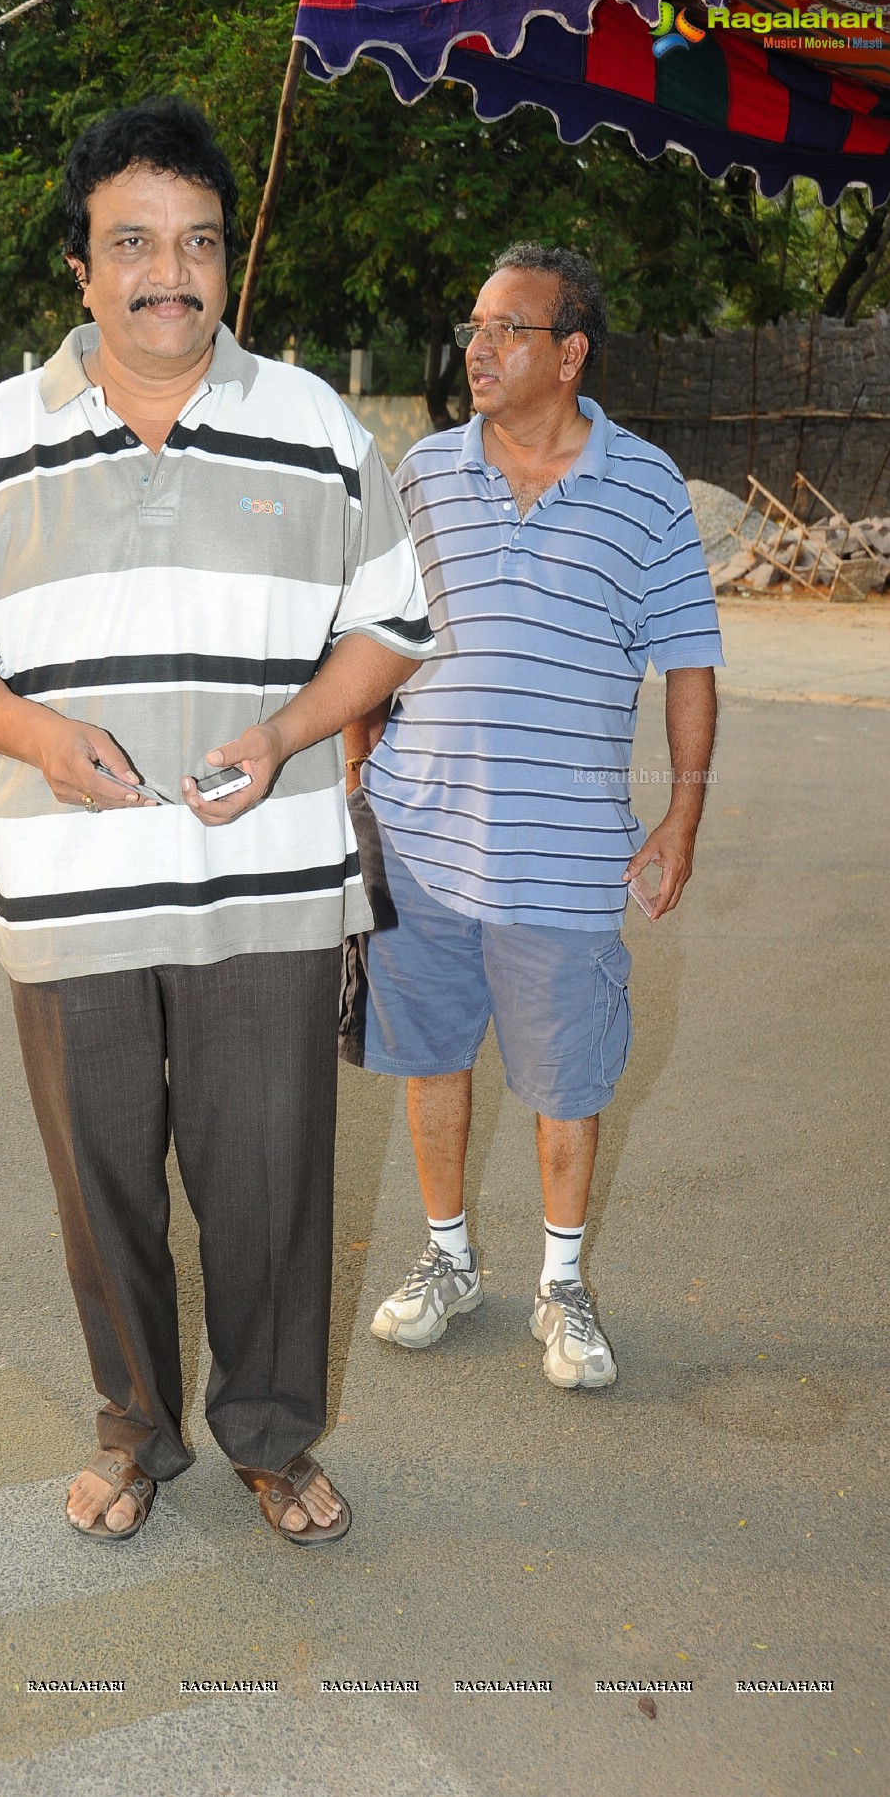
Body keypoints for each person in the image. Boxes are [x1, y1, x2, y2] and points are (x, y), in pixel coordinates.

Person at [0, 100, 433, 1543]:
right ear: (81, 267)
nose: (167, 273)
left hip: (263, 883)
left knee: (267, 1182)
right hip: (69, 892)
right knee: (102, 1183)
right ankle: (133, 1429)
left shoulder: (312, 424)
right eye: (131, 244)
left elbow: (386, 626)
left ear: (221, 267)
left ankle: (268, 1431)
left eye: (195, 242)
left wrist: (288, 729)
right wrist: (38, 734)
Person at [341, 243, 721, 1390]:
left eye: (505, 329)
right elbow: (372, 633)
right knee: (430, 1059)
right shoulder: (421, 475)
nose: (477, 346)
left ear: (568, 353)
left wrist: (681, 815)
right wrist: (357, 764)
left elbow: (689, 661)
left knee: (568, 1080)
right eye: (471, 325)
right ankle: (448, 1257)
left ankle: (562, 1283)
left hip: (562, 855)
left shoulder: (646, 486)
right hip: (421, 839)